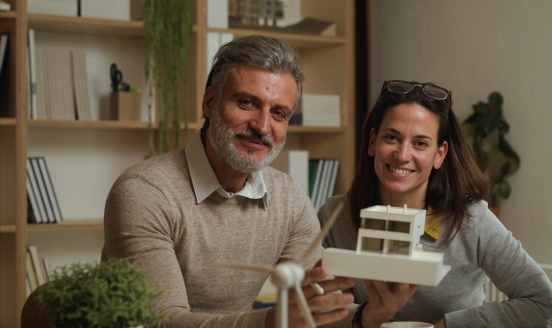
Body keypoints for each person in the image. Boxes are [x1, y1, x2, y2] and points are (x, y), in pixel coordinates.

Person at [101, 35, 403, 328]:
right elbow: (160, 322)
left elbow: (321, 309)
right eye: (247, 102)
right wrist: (272, 321)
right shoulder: (145, 192)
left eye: (279, 113)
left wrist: (369, 315)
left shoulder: (289, 197)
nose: (262, 126)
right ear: (209, 102)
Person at [318, 80, 552, 328]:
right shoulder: (335, 215)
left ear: (440, 154)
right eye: (392, 137)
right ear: (372, 141)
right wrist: (367, 317)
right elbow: (315, 312)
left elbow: (544, 304)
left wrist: (447, 326)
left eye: (420, 143)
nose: (403, 155)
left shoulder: (471, 220)